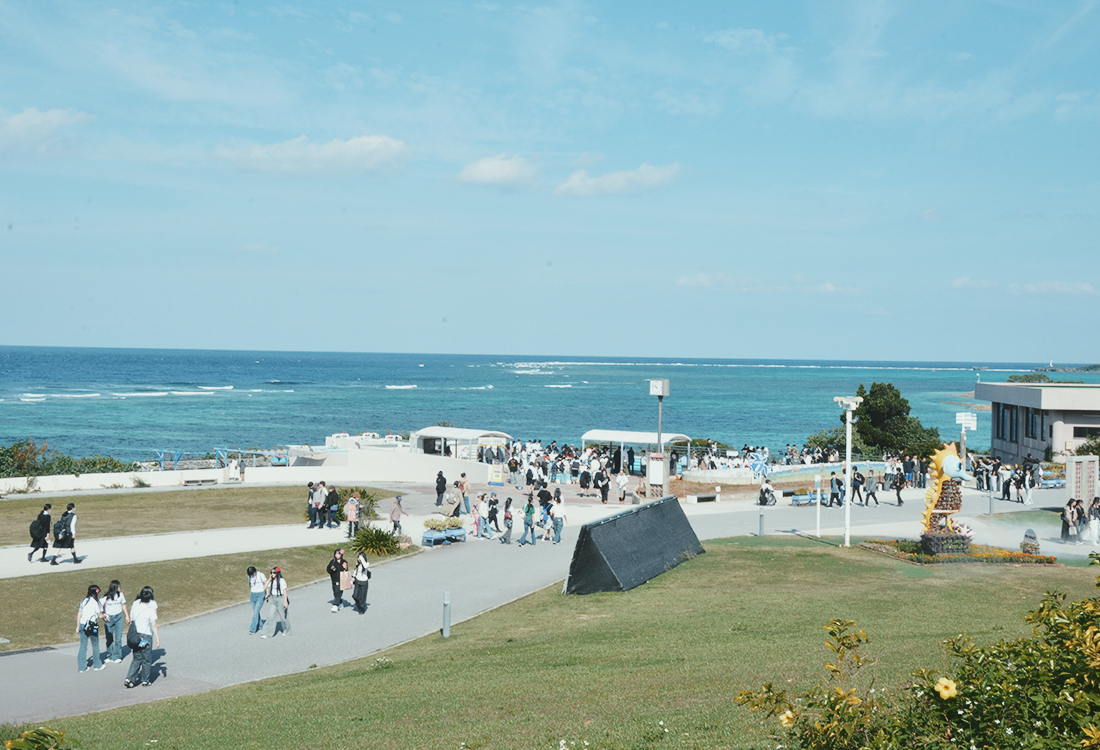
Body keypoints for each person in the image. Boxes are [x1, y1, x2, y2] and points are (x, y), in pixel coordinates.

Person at [124, 586, 159, 687]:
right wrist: (157, 638)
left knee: (137, 658)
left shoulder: (136, 607)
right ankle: (145, 680)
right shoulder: (150, 610)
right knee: (146, 659)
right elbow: (154, 625)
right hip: (146, 636)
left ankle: (130, 678)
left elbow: (132, 619)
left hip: (136, 635)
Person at [76, 584, 105, 673]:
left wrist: (77, 626)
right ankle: (97, 665)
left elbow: (79, 614)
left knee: (83, 646)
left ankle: (82, 667)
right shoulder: (96, 602)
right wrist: (105, 616)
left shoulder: (84, 601)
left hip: (82, 624)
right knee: (95, 645)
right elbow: (100, 615)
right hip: (91, 626)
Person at [102, 580, 130, 663]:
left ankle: (117, 656)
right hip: (109, 618)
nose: (120, 588)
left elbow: (123, 605)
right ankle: (109, 655)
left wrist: (127, 616)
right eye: (118, 586)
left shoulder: (121, 595)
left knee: (118, 638)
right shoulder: (106, 597)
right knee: (109, 638)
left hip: (119, 617)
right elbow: (99, 607)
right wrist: (103, 616)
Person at [261, 567, 290, 638]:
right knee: (270, 616)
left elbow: (285, 591)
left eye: (274, 573)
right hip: (274, 599)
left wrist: (285, 602)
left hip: (281, 599)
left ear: (277, 573)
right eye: (271, 573)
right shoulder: (272, 581)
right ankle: (266, 633)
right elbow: (264, 587)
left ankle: (286, 630)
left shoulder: (282, 581)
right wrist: (269, 579)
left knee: (283, 617)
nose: (272, 574)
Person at [246, 566, 266, 635]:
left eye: (252, 574)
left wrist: (267, 593)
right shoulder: (249, 576)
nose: (251, 575)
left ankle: (252, 629)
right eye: (250, 574)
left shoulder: (261, 575)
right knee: (256, 612)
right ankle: (261, 626)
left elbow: (266, 583)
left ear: (255, 572)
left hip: (260, 595)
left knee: (255, 613)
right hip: (253, 596)